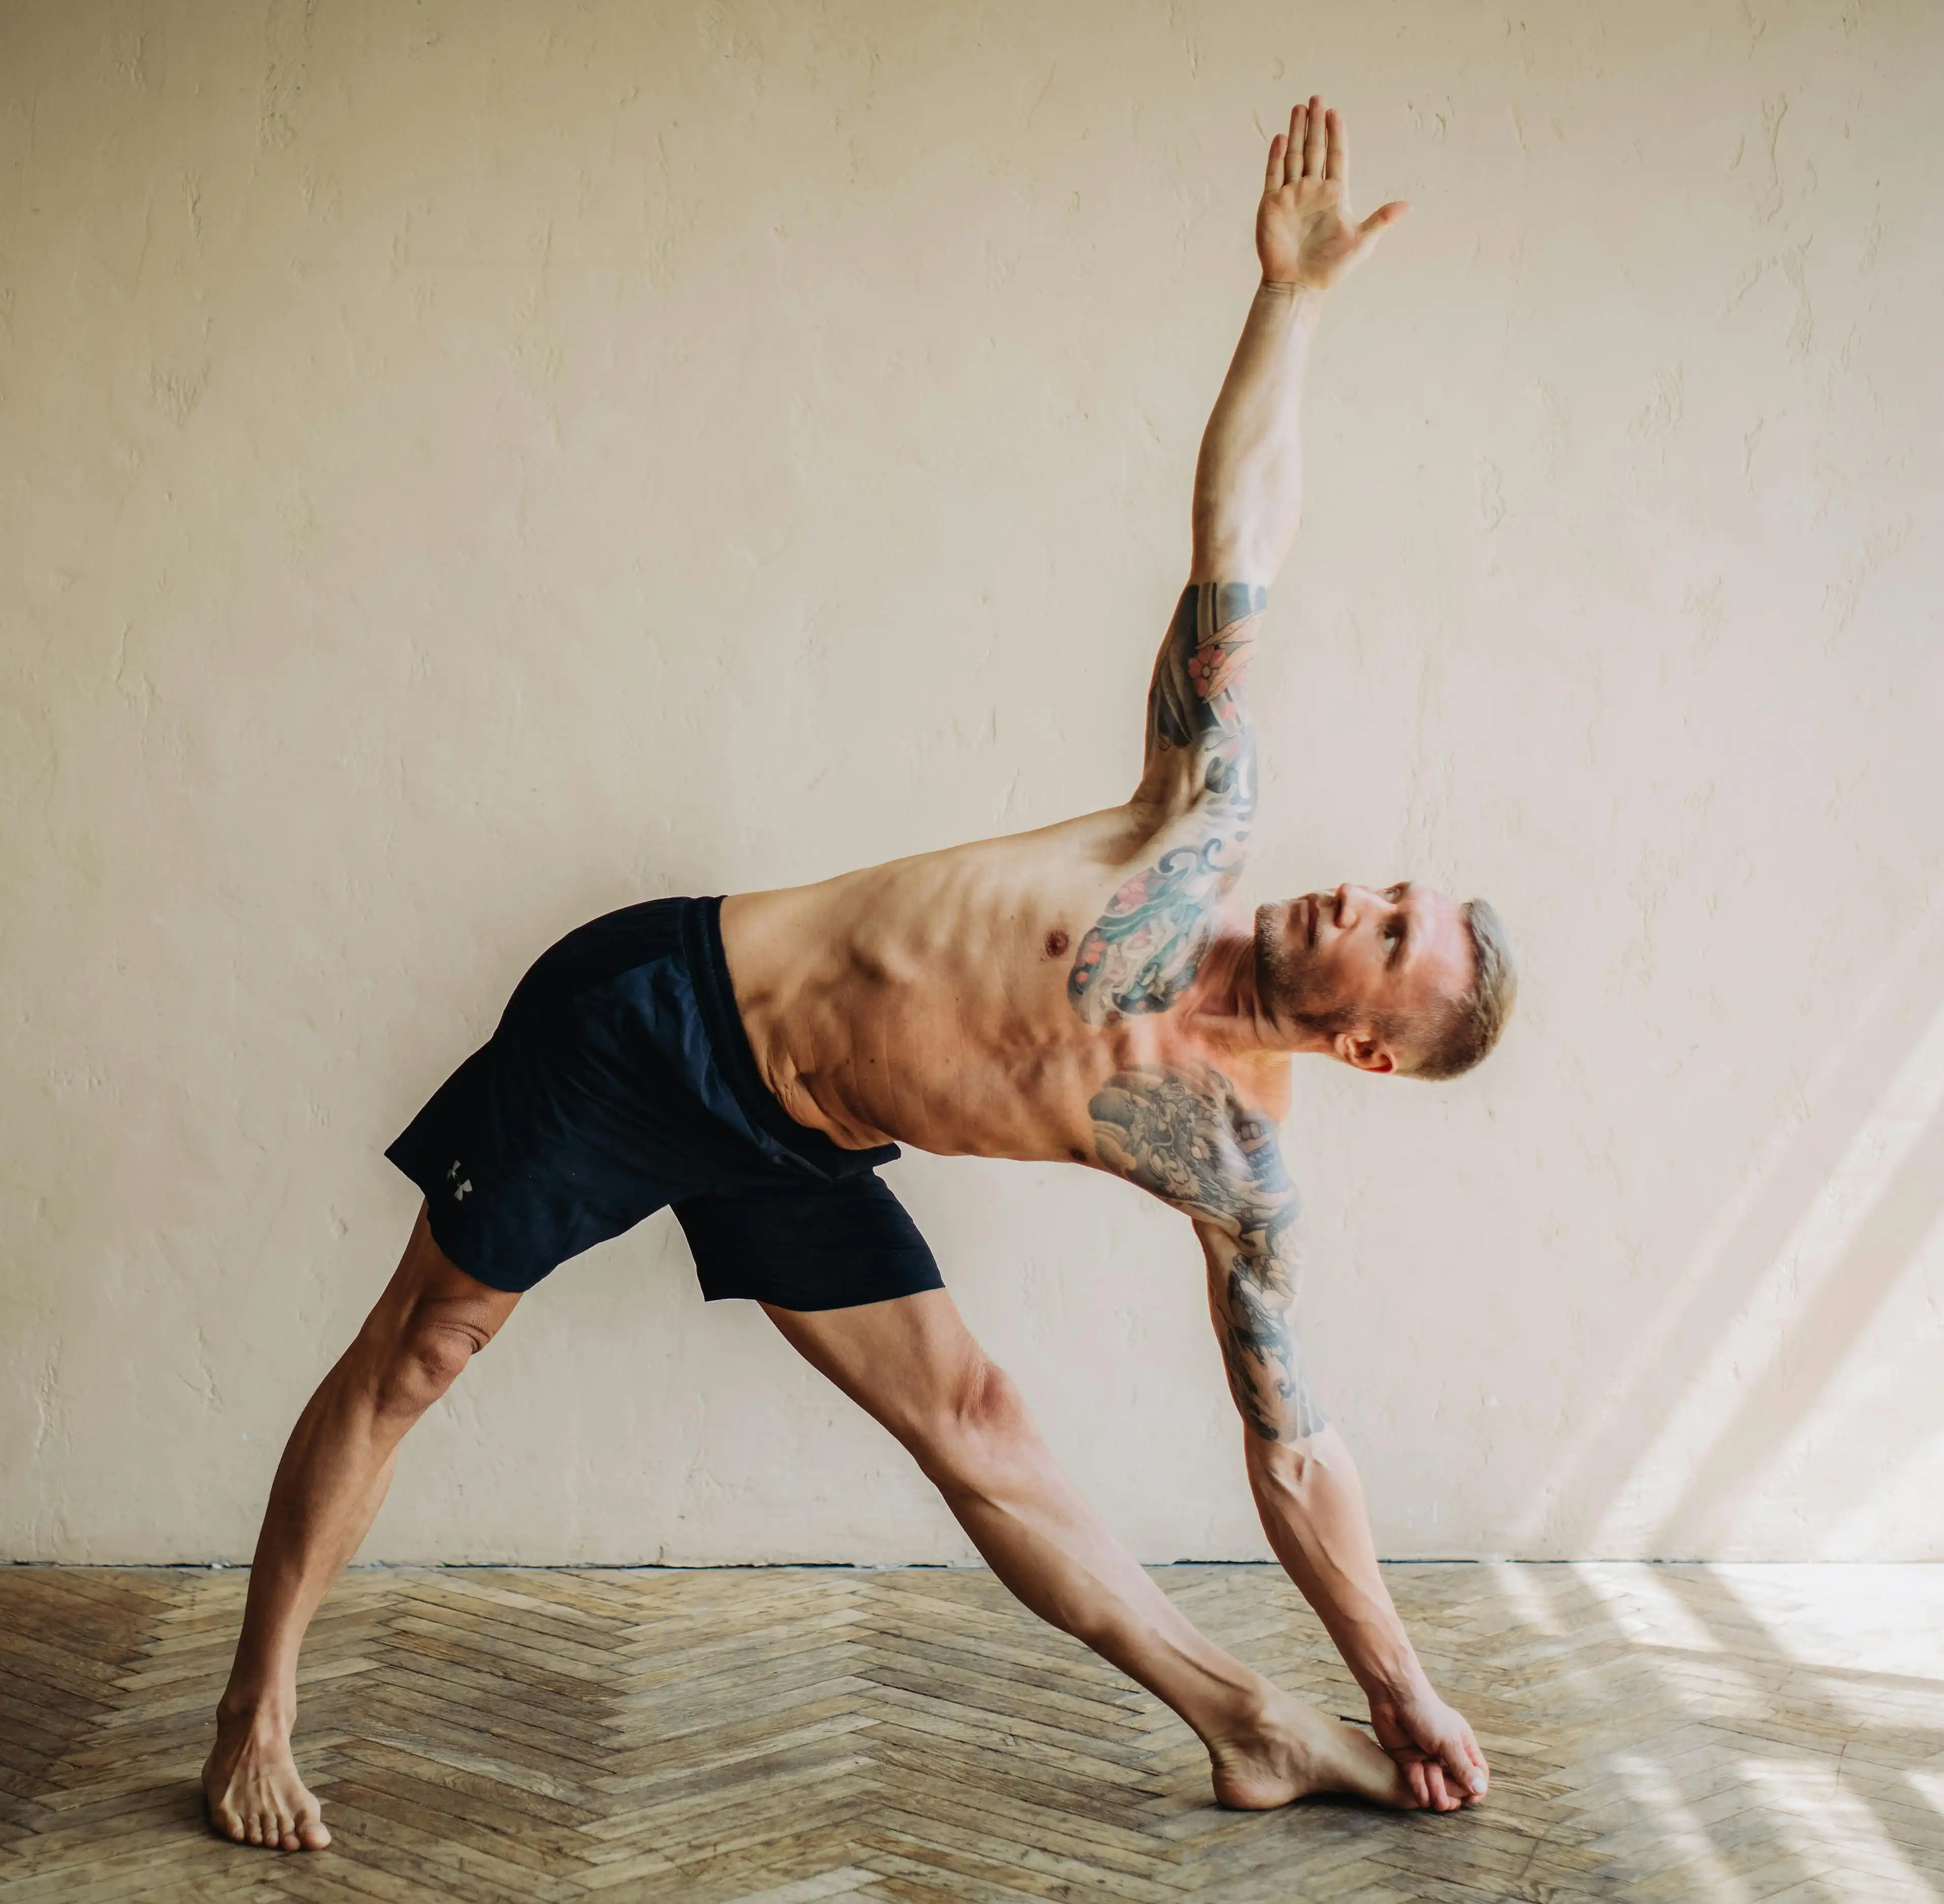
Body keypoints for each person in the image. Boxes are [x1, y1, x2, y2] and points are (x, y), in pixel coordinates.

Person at [207, 96, 1513, 1852]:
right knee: (427, 1346)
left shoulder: (1241, 1171)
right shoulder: (1195, 825)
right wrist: (1292, 303)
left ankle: (1255, 1723)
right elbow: (1242, 547)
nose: (1356, 897)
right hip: (658, 1020)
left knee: (978, 1421)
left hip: (799, 1144)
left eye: (1388, 934)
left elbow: (1296, 1457)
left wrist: (1403, 1681)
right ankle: (253, 1714)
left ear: (1368, 1043)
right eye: (1389, 888)